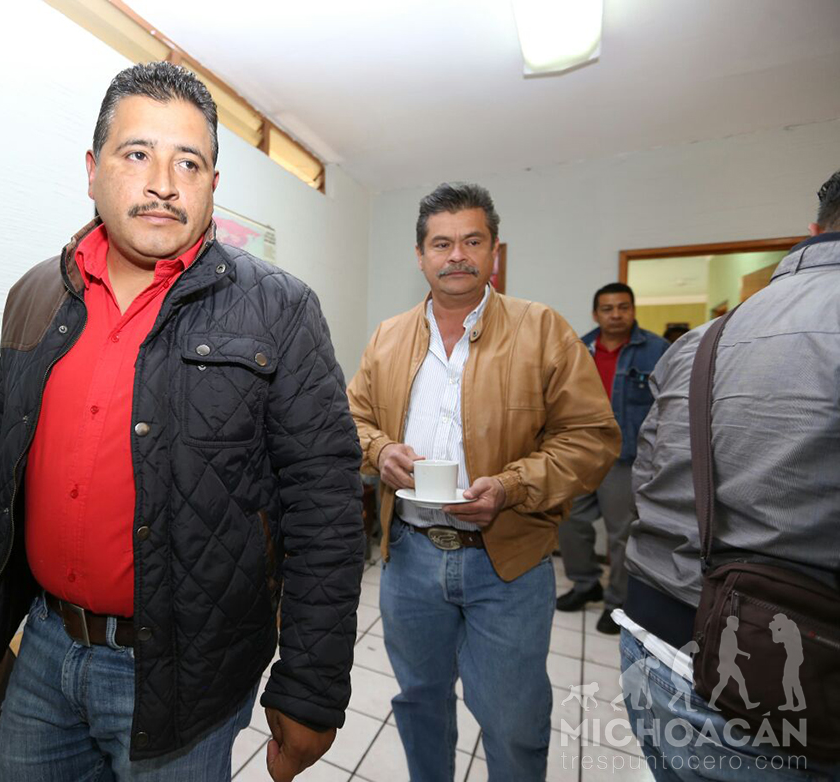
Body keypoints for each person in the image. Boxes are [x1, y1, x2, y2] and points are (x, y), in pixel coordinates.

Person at [0, 62, 364, 782]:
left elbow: (325, 507)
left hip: (186, 674)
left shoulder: (279, 310)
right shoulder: (35, 296)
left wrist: (311, 686)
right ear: (91, 170)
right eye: (137, 154)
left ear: (212, 184)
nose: (163, 182)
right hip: (42, 648)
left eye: (187, 162)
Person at [346, 182, 620, 781]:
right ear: (420, 255)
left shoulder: (542, 329)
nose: (457, 256)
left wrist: (511, 487)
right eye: (441, 244)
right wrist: (380, 449)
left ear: (495, 250)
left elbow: (592, 438)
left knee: (512, 721)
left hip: (507, 561)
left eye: (472, 241)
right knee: (420, 701)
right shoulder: (388, 336)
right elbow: (353, 418)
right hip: (410, 558)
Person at [616, 168, 840, 778]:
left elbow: (649, 472)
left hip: (658, 640)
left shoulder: (700, 339)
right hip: (777, 668)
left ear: (813, 230)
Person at [556, 283, 668, 634]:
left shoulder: (656, 350)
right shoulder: (578, 348)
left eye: (623, 307)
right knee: (568, 521)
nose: (616, 315)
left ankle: (617, 601)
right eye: (607, 309)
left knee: (621, 533)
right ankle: (585, 582)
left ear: (633, 310)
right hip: (580, 452)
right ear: (596, 314)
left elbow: (669, 406)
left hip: (625, 457)